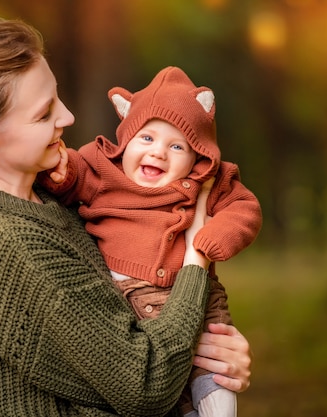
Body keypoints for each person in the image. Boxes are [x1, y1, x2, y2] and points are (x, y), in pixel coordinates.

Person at [0, 16, 251, 416]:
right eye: (44, 114)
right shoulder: (13, 244)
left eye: (56, 98)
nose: (67, 117)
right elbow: (146, 383)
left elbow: (126, 329)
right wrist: (195, 261)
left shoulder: (40, 192)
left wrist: (212, 354)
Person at [37, 66, 262, 416]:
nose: (158, 152)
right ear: (125, 142)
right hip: (122, 294)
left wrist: (213, 236)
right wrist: (64, 176)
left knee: (211, 359)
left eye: (177, 145)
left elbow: (244, 208)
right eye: (146, 138)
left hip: (192, 292)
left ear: (196, 157)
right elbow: (75, 174)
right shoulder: (104, 169)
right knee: (160, 377)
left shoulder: (208, 180)